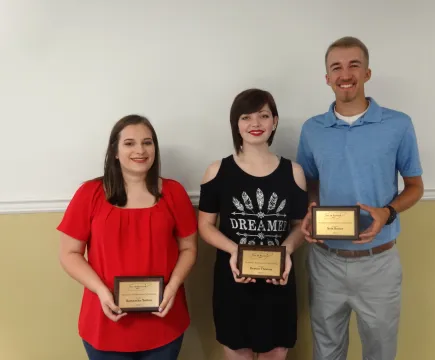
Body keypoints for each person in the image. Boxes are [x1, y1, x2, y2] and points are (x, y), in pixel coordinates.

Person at [296, 36, 424, 360]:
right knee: (327, 352)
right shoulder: (312, 130)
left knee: (380, 352)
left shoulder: (398, 124)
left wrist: (387, 213)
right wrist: (311, 208)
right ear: (327, 78)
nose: (345, 74)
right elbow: (310, 183)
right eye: (336, 67)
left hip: (378, 263)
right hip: (326, 261)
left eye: (354, 65)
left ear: (367, 73)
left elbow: (414, 186)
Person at [57, 115, 198, 360]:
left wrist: (173, 287)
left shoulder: (174, 193)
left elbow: (189, 248)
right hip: (106, 321)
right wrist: (101, 291)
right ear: (114, 150)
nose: (140, 150)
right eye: (129, 143)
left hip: (164, 320)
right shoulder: (89, 194)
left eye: (147, 142)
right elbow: (69, 254)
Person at [198, 88, 308, 360]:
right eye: (246, 117)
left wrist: (285, 252)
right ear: (236, 124)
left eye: (264, 116)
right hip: (233, 281)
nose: (255, 124)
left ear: (275, 122)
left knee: (276, 352)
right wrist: (235, 251)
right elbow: (205, 226)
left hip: (278, 281)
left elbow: (299, 226)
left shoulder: (294, 172)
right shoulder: (217, 171)